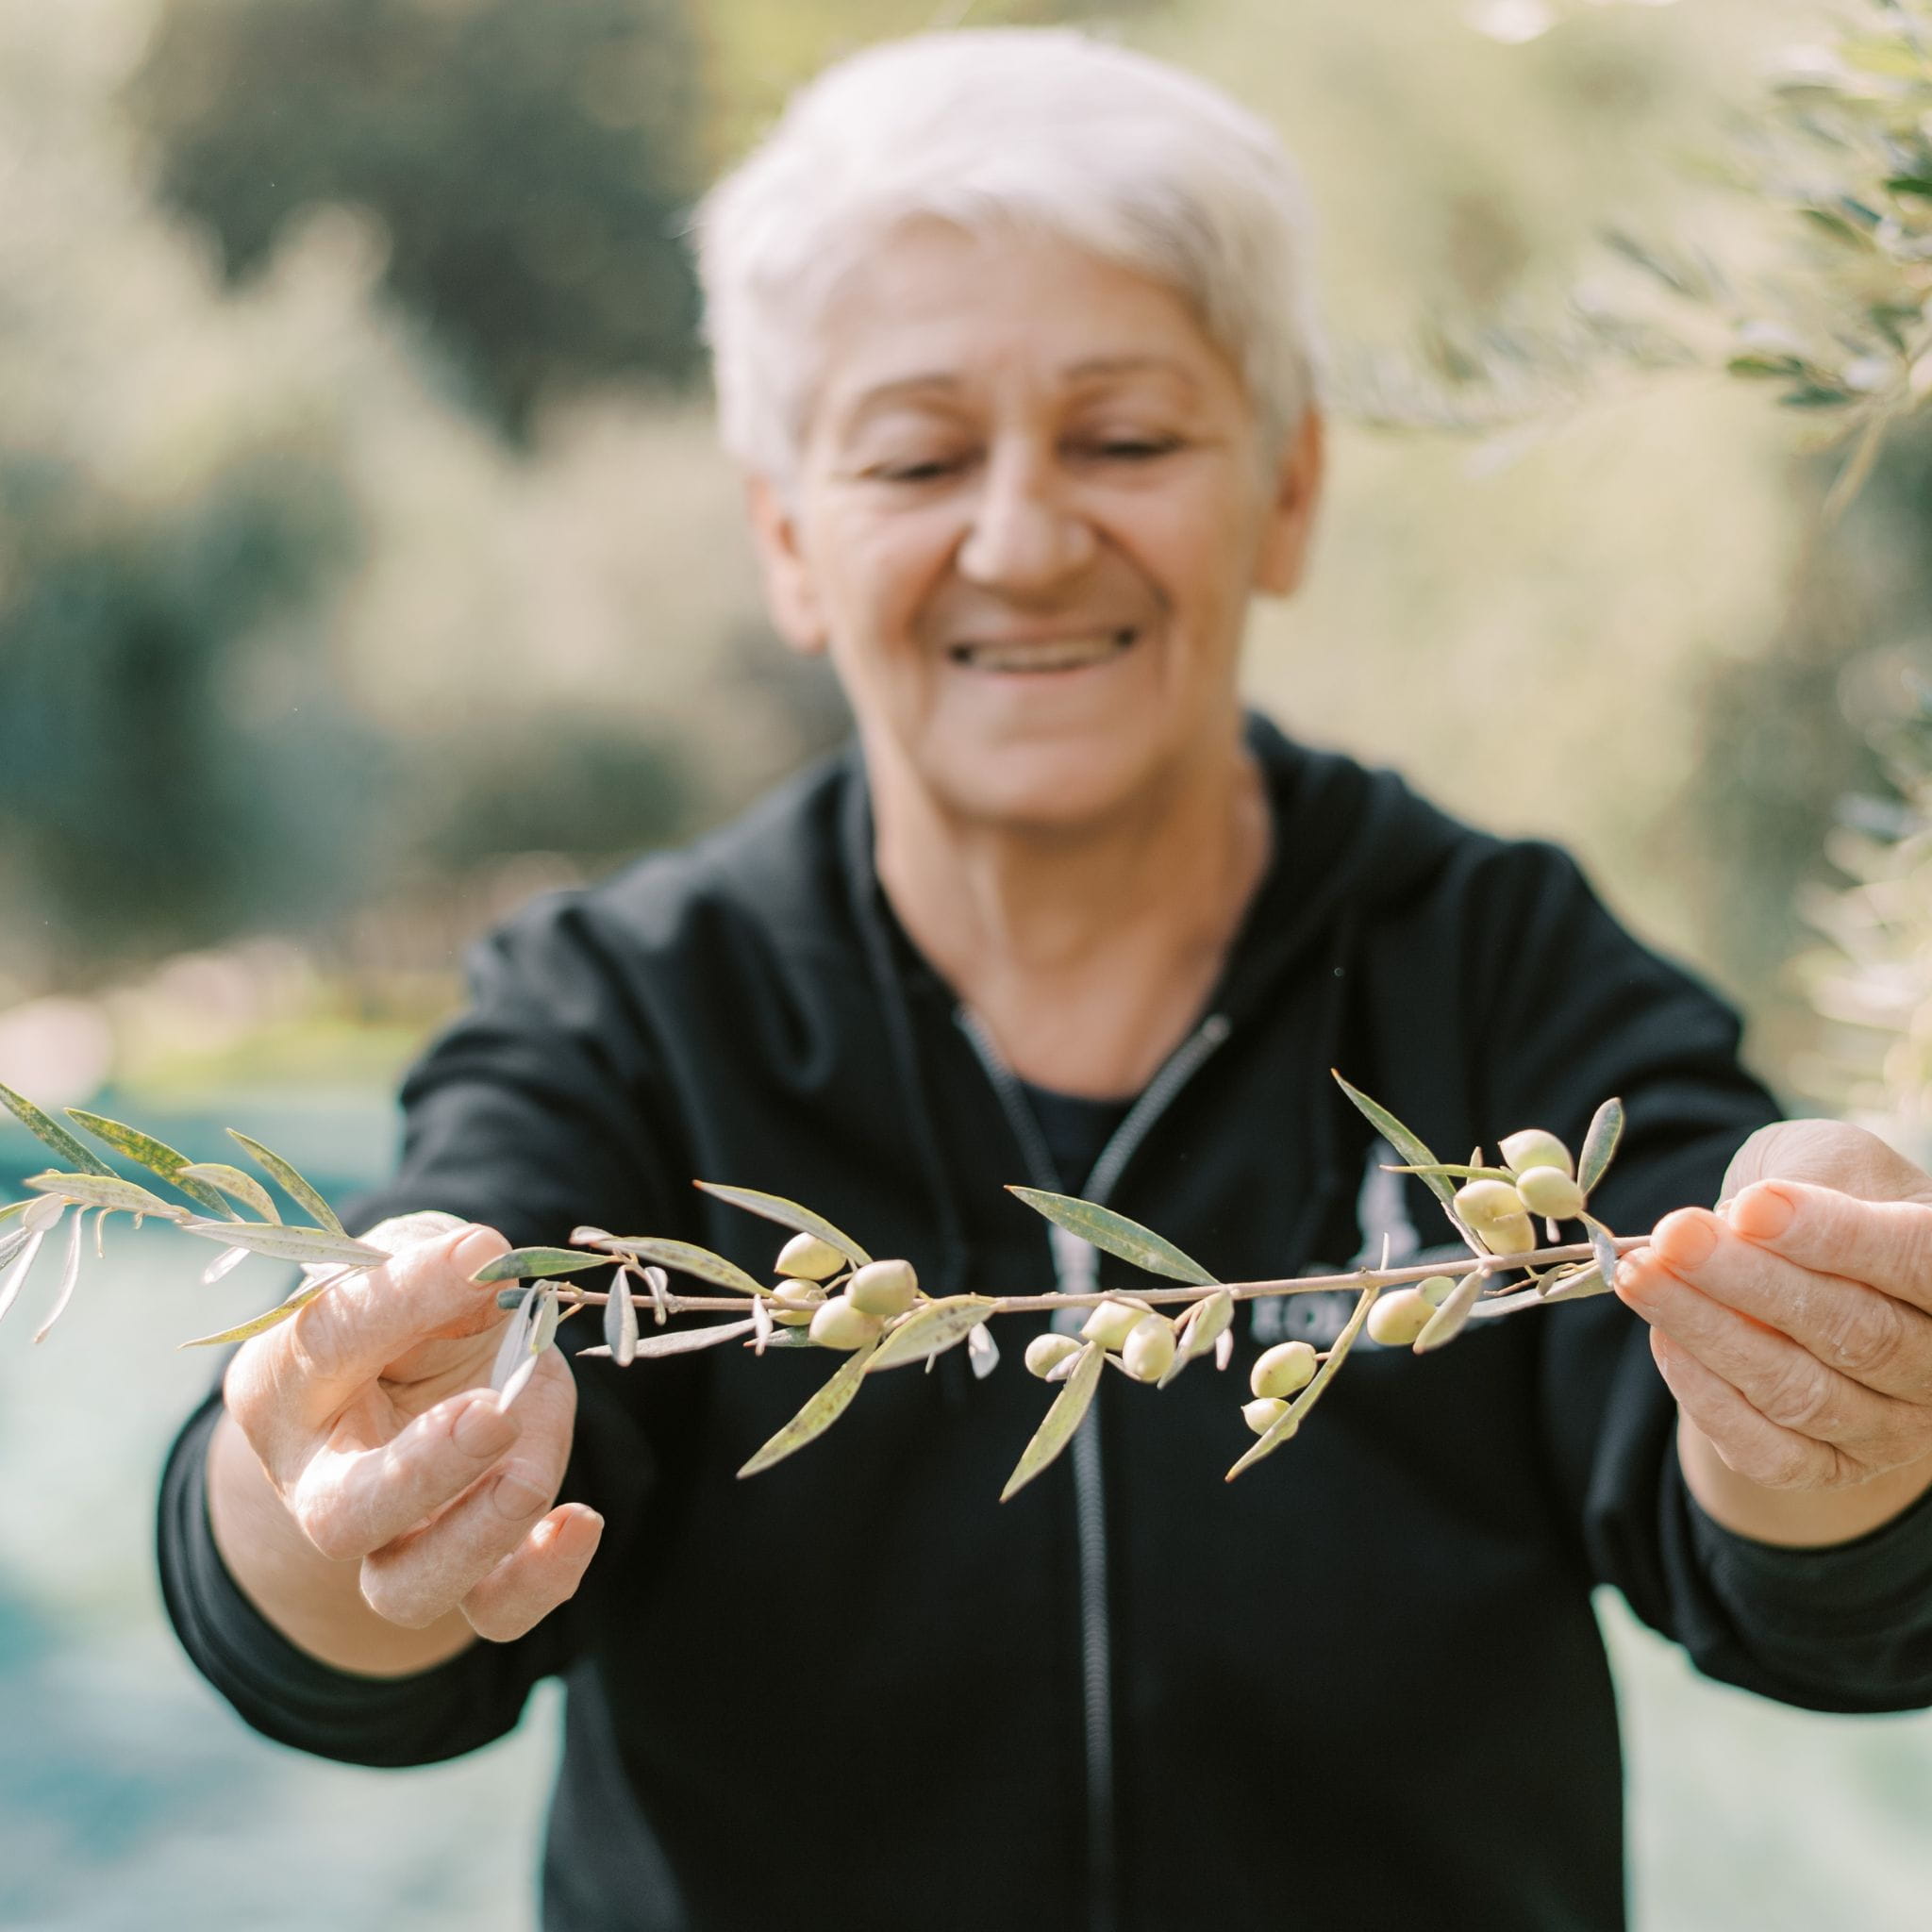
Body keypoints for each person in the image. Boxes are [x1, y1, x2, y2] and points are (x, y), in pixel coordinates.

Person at [158, 28, 1932, 1932]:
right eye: (918, 456)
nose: (1020, 541)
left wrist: (1839, 1387)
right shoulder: (626, 1012)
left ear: (1287, 490)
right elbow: (343, 1594)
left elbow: (1824, 1578)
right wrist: (339, 1478)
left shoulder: (1492, 965)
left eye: (1128, 440)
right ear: (787, 537)